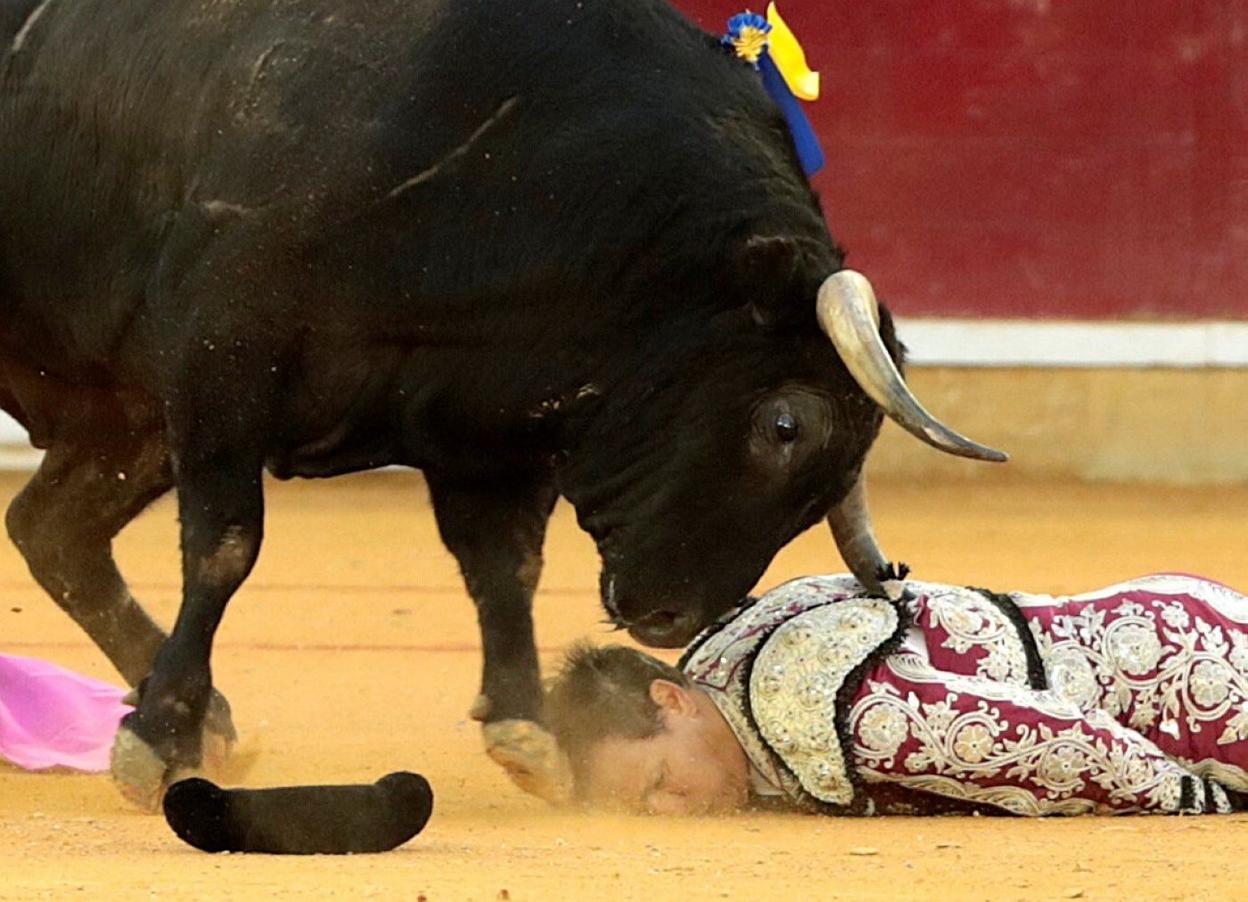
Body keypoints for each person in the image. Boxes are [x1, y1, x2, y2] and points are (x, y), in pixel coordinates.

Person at [543, 570, 1248, 816]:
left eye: (660, 780)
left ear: (673, 700)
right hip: (1153, 623)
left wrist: (1198, 798)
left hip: (1177, 688)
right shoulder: (719, 664)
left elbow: (1059, 742)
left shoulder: (832, 718)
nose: (670, 811)